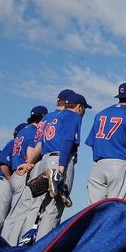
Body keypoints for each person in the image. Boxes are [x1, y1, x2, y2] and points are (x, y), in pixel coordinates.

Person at [35, 92, 90, 239]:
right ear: (79, 107)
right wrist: (61, 165)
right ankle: (42, 249)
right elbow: (67, 140)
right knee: (54, 207)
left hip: (45, 159)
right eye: (84, 108)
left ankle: (33, 245)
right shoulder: (73, 116)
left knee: (44, 206)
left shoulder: (54, 116)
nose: (84, 112)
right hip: (59, 159)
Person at [86, 82, 126, 204]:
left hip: (98, 165)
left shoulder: (101, 114)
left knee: (93, 209)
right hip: (121, 165)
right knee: (116, 207)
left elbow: (93, 143)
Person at [0, 105, 48, 245]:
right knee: (21, 213)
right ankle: (13, 245)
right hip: (24, 171)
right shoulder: (34, 131)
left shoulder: (22, 131)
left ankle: (5, 242)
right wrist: (30, 162)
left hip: (16, 172)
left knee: (13, 214)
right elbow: (30, 150)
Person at [0, 123, 28, 234]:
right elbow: (3, 162)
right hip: (3, 183)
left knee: (1, 223)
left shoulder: (20, 145)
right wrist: (9, 179)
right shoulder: (13, 143)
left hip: (7, 184)